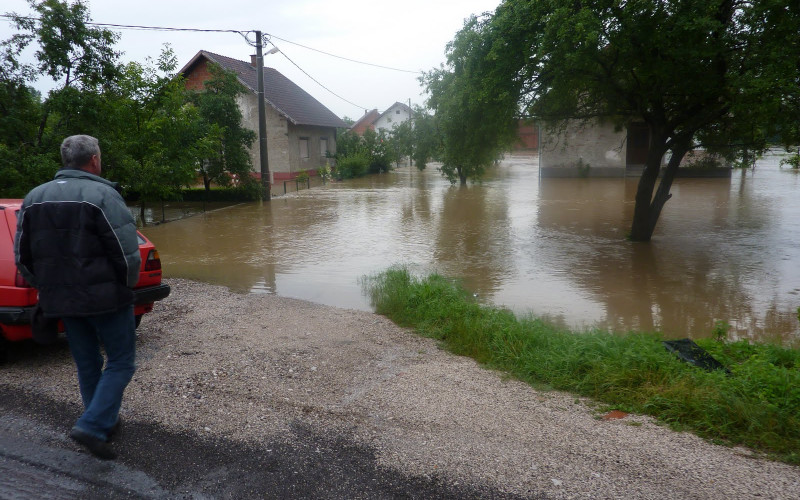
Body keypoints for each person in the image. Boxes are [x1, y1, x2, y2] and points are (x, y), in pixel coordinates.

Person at [14, 135, 141, 460]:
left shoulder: (33, 197)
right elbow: (128, 253)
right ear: (95, 159)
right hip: (107, 299)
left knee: (87, 363)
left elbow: (22, 257)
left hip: (63, 300)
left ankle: (103, 423)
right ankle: (93, 424)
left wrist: (47, 286)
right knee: (121, 362)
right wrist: (127, 287)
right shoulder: (103, 194)